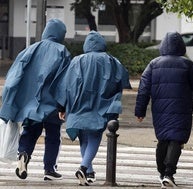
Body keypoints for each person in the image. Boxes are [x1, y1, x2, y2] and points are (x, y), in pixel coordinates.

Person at [51, 30, 131, 186]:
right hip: (100, 105)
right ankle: (84, 168)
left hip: (78, 105)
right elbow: (122, 79)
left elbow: (65, 86)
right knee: (95, 136)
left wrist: (61, 107)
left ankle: (88, 172)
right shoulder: (111, 60)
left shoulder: (77, 61)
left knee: (83, 138)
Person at [0, 18, 71, 180]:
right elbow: (65, 81)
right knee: (53, 136)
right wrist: (63, 105)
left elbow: (15, 76)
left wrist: (11, 102)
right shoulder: (63, 52)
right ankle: (49, 169)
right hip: (53, 104)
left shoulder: (30, 49)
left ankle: (23, 154)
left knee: (30, 132)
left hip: (31, 105)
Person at [135, 31, 193, 188]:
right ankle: (169, 173)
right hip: (182, 107)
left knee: (163, 139)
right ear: (181, 45)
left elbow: (143, 89)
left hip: (160, 108)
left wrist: (140, 111)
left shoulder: (153, 64)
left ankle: (162, 173)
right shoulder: (188, 64)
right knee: (176, 138)